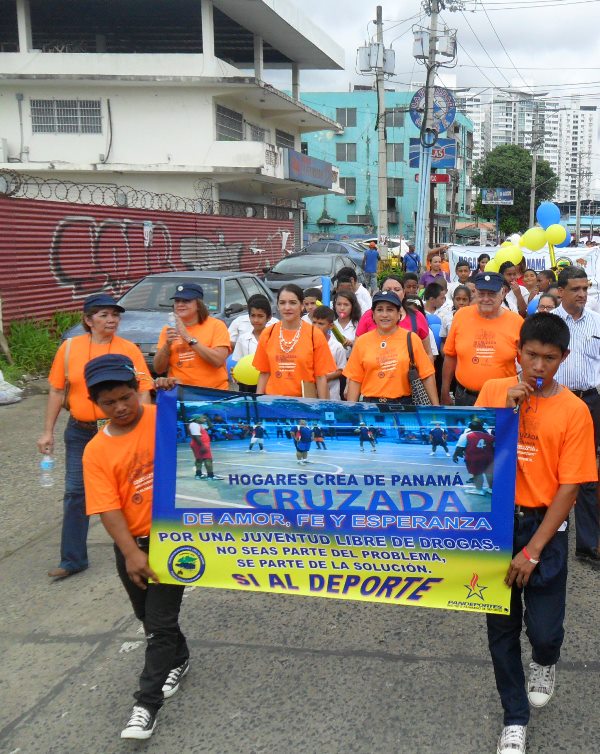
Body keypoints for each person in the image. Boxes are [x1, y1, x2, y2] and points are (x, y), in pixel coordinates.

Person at [474, 313, 597, 754]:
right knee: (501, 628)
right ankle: (514, 718)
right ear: (517, 352)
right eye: (531, 356)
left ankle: (545, 660)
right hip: (496, 523)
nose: (539, 366)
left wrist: (532, 551)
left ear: (564, 358)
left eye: (549, 358)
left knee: (543, 631)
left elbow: (570, 486)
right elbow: (469, 459)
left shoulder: (575, 411)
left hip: (545, 524)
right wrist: (501, 414)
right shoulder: (493, 391)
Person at [81, 354, 190, 741]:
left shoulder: (163, 417)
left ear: (137, 389)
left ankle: (146, 706)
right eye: (109, 402)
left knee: (157, 626)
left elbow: (200, 418)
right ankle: (180, 658)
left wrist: (174, 393)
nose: (120, 407)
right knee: (147, 615)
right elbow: (107, 508)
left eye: (126, 397)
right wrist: (130, 553)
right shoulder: (96, 451)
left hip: (172, 541)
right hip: (132, 545)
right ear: (96, 404)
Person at [37, 293, 153, 580]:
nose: (112, 320)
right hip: (81, 430)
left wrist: (143, 425)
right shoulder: (69, 349)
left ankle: (143, 542)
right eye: (104, 315)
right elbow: (57, 390)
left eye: (115, 315)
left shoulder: (128, 349)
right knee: (76, 493)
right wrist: (48, 431)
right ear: (88, 320)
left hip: (120, 430)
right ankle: (72, 558)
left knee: (133, 486)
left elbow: (141, 390)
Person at [553, 266, 600, 565]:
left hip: (590, 402)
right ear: (561, 291)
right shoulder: (550, 323)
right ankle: (550, 536)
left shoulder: (597, 321)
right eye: (575, 289)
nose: (582, 294)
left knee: (587, 474)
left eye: (585, 288)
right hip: (556, 402)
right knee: (551, 471)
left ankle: (588, 544)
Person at [441, 272, 522, 406]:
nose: (486, 299)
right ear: (475, 293)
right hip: (465, 397)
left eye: (491, 294)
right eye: (481, 294)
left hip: (503, 398)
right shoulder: (461, 316)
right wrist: (444, 391)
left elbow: (526, 363)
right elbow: (450, 356)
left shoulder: (517, 322)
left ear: (503, 293)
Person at [344, 291, 439, 405]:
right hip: (371, 406)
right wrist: (351, 410)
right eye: (380, 310)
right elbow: (355, 380)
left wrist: (435, 408)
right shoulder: (362, 341)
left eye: (390, 310)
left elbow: (427, 375)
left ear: (399, 313)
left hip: (404, 406)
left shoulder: (411, 338)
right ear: (373, 315)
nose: (384, 314)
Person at [253, 284, 336, 398]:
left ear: (302, 306)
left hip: (305, 404)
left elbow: (321, 377)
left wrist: (323, 407)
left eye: (292, 303)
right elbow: (264, 373)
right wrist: (257, 404)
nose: (287, 307)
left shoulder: (315, 335)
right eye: (282, 303)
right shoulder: (268, 333)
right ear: (278, 306)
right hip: (273, 402)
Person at [154, 283, 231, 388]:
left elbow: (218, 361)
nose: (180, 304)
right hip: (180, 391)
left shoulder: (216, 325)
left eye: (186, 301)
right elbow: (158, 369)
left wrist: (188, 337)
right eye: (177, 301)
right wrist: (167, 345)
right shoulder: (168, 330)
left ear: (198, 305)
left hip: (213, 392)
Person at [355, 275, 433, 360]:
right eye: (388, 290)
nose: (392, 293)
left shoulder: (416, 317)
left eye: (397, 290)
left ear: (404, 292)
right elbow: (357, 352)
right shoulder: (368, 316)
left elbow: (427, 353)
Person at [232, 295, 272, 394]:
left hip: (269, 382)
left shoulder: (274, 338)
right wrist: (235, 372)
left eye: (260, 316)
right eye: (253, 315)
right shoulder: (243, 339)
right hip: (247, 384)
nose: (256, 320)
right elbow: (238, 362)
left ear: (269, 317)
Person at [312, 305, 347, 401]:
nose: (316, 326)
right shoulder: (306, 343)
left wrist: (325, 378)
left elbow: (342, 370)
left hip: (332, 394)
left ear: (330, 326)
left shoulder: (337, 346)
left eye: (321, 323)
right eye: (314, 322)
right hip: (310, 393)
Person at [452, 419, 494, 495]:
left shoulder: (465, 435)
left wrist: (455, 456)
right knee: (489, 473)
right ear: (482, 427)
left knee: (477, 473)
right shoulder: (490, 436)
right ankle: (491, 489)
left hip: (473, 458)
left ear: (470, 427)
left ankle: (479, 489)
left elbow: (459, 447)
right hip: (489, 458)